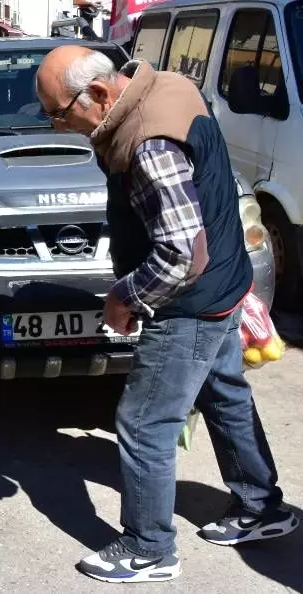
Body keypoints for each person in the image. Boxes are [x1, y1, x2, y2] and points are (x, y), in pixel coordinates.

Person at [36, 47, 298, 583]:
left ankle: (148, 548)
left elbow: (180, 252)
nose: (55, 124)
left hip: (191, 304)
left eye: (58, 113)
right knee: (224, 393)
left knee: (144, 423)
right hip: (224, 283)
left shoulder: (149, 142)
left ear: (101, 95)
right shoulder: (169, 86)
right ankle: (261, 507)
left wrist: (127, 296)